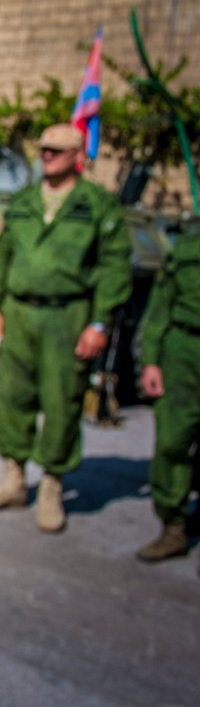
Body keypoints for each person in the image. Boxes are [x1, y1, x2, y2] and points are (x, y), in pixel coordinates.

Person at [0, 123, 131, 533]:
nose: (46, 157)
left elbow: (114, 268)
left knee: (61, 400)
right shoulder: (22, 201)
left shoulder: (97, 205)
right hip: (19, 311)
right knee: (13, 395)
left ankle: (52, 485)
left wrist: (100, 322)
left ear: (76, 155)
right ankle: (13, 478)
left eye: (56, 151)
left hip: (68, 314)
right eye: (42, 150)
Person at [135, 224, 200, 568]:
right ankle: (173, 528)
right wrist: (151, 361)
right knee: (172, 442)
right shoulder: (187, 246)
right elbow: (160, 307)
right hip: (183, 352)